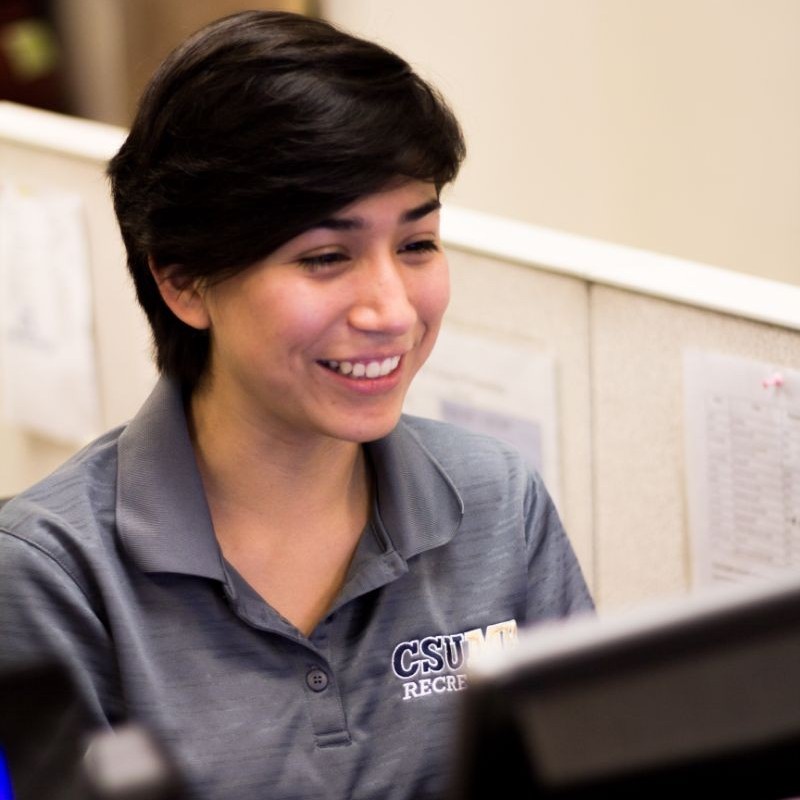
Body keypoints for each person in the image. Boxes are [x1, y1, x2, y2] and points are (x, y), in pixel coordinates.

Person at [0, 10, 593, 800]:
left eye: (416, 244)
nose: (390, 308)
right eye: (324, 257)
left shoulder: (497, 503)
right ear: (182, 282)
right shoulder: (52, 573)